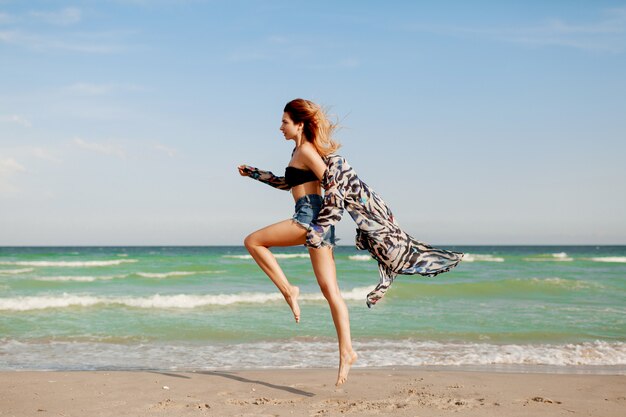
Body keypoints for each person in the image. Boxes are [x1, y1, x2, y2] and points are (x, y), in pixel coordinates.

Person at [238, 98, 357, 386]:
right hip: (316, 223)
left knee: (253, 241)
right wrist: (254, 173)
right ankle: (347, 352)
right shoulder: (298, 151)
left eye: (284, 122)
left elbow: (332, 183)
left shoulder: (305, 150)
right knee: (331, 291)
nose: (280, 127)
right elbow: (285, 183)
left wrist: (321, 222)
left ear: (300, 124)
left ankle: (289, 290)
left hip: (309, 219)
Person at [305, 156, 464, 306]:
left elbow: (336, 203)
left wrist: (319, 229)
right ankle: (393, 271)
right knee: (388, 249)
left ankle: (395, 270)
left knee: (389, 251)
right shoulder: (335, 167)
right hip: (374, 213)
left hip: (373, 214)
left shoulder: (336, 166)